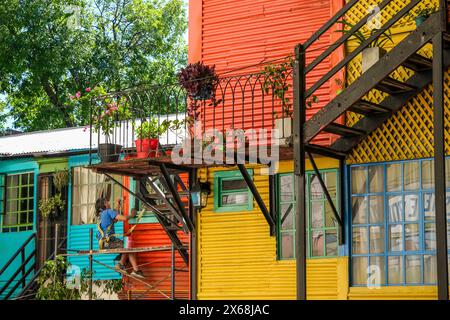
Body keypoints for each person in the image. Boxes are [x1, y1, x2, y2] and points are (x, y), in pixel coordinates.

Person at [95, 197, 145, 279]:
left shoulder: (101, 215)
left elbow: (115, 217)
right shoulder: (108, 212)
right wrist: (132, 215)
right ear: (105, 204)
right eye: (107, 202)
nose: (109, 203)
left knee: (127, 245)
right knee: (128, 245)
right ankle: (132, 268)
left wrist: (118, 204)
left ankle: (125, 266)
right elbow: (124, 218)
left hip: (104, 244)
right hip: (110, 242)